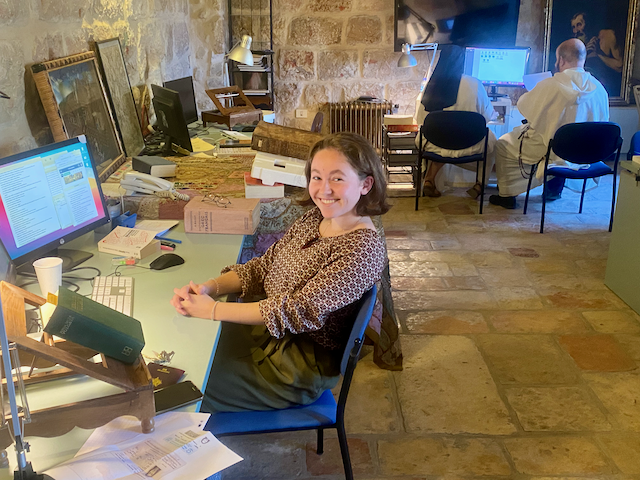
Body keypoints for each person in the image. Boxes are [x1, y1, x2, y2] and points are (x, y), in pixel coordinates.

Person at [171, 132, 390, 412]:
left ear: (365, 184)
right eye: (317, 177)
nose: (324, 189)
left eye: (337, 178)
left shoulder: (362, 248)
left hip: (293, 366)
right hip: (268, 335)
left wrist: (213, 311)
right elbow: (264, 265)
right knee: (186, 351)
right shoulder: (316, 217)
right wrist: (210, 288)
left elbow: (295, 310)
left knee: (185, 387)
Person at [490, 38, 609, 209]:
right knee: (559, 144)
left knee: (503, 144)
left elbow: (525, 106)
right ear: (583, 58)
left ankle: (507, 195)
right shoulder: (600, 89)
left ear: (560, 60)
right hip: (585, 152)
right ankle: (554, 189)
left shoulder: (549, 85)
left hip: (551, 148)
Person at [414, 44, 497, 199]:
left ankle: (429, 180)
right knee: (493, 143)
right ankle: (479, 185)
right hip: (470, 143)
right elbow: (485, 117)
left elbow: (421, 120)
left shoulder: (431, 86)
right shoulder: (474, 83)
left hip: (435, 144)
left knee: (443, 139)